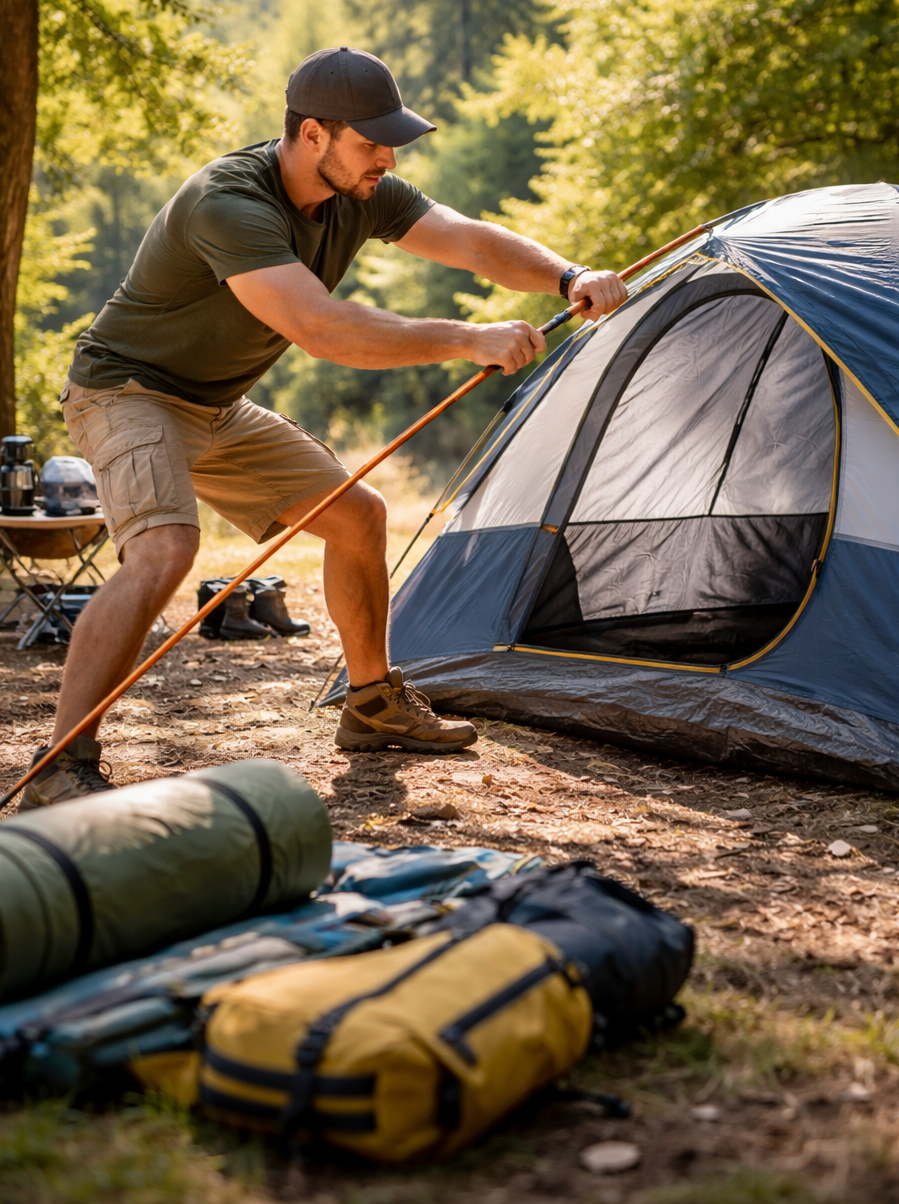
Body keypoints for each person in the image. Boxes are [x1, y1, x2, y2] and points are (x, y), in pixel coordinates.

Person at [20, 47, 628, 807]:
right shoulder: (228, 201)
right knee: (166, 549)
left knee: (358, 516)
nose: (387, 157)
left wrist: (569, 277)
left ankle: (371, 706)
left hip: (215, 405)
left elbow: (468, 240)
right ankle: (62, 764)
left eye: (391, 143)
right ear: (313, 135)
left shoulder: (363, 191)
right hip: (127, 392)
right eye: (371, 142)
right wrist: (466, 338)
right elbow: (323, 330)